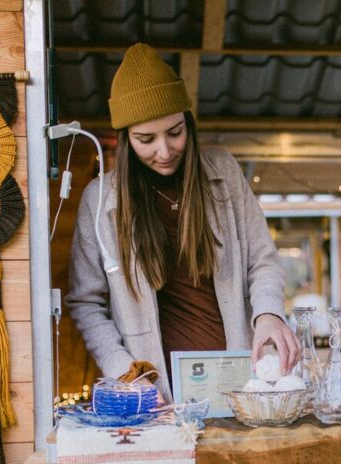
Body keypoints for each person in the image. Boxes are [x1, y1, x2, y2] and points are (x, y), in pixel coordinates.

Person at [66, 43, 299, 400]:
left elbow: (263, 260)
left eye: (175, 132)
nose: (164, 151)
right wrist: (125, 371)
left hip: (240, 375)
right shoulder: (99, 200)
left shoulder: (224, 173)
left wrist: (268, 314)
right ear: (126, 139)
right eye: (146, 139)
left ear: (188, 123)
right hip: (156, 390)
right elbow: (86, 302)